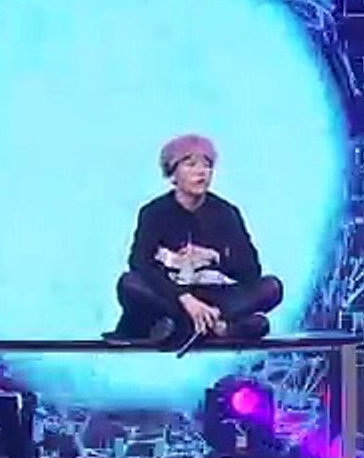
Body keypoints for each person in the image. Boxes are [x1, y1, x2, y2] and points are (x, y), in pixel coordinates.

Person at [103, 134, 283, 352]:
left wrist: (216, 258)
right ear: (172, 174)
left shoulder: (226, 213)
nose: (201, 172)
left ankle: (187, 327)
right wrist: (184, 298)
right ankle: (219, 328)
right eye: (191, 165)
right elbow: (140, 263)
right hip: (171, 297)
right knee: (129, 283)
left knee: (271, 287)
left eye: (207, 166)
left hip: (216, 299)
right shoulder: (153, 212)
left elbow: (251, 271)